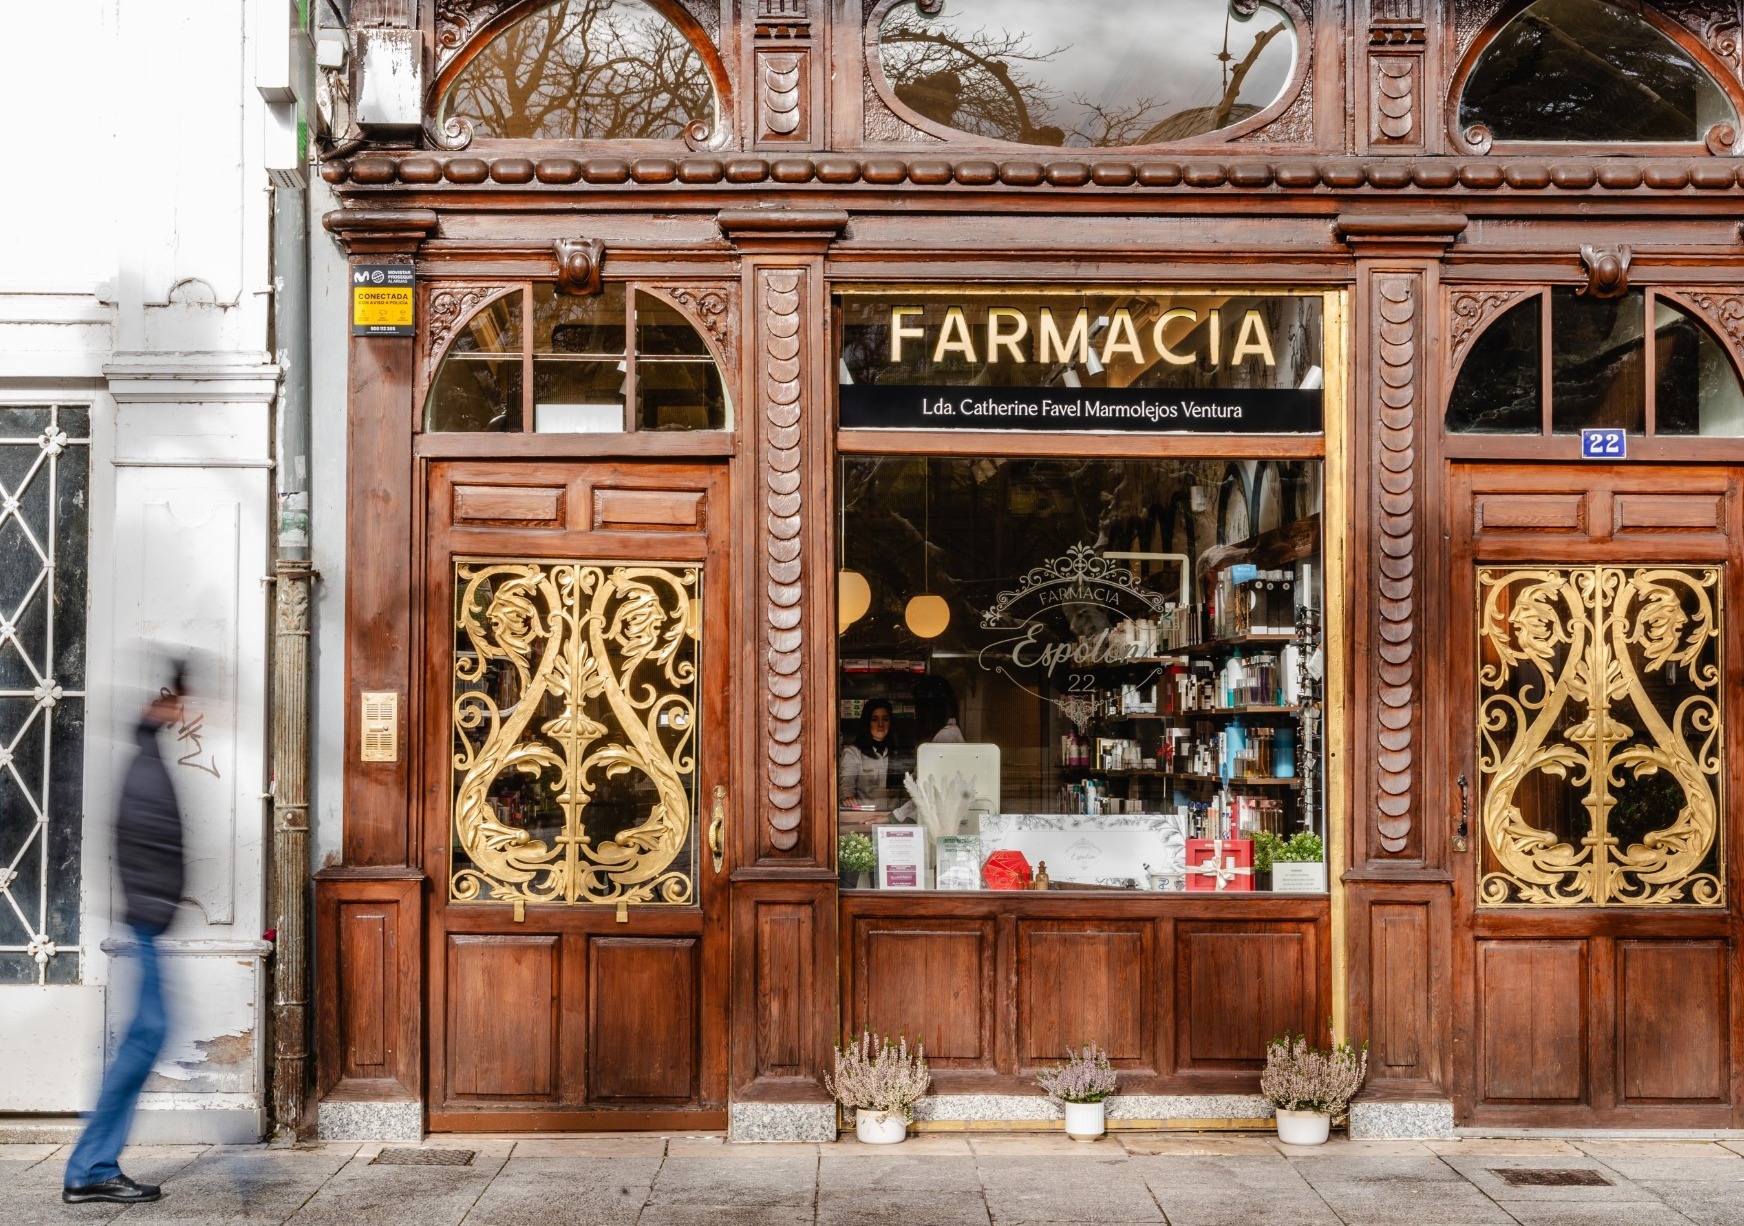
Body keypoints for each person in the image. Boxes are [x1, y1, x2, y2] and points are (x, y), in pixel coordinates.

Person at [62, 670, 186, 1205]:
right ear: (158, 708)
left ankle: (92, 1165)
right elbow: (143, 846)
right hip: (146, 924)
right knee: (145, 1039)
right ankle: (90, 1168)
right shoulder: (146, 769)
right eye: (174, 704)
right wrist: (156, 912)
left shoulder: (149, 760)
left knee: (147, 1036)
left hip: (147, 923)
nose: (181, 714)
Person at [839, 698, 906, 807]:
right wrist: (848, 797)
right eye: (874, 719)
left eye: (885, 719)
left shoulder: (897, 753)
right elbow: (846, 785)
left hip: (891, 819)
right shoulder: (853, 753)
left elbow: (905, 793)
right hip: (864, 818)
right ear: (867, 723)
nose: (880, 724)